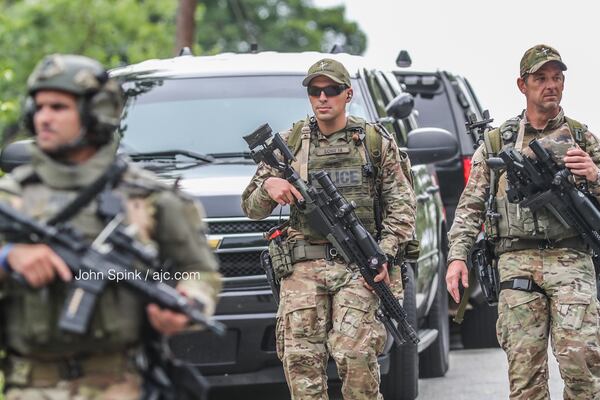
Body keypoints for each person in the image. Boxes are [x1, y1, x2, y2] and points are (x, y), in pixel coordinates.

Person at [0, 54, 221, 399]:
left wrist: (188, 302)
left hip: (121, 384)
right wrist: (9, 256)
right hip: (29, 385)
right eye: (39, 107)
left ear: (97, 113)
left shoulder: (151, 197)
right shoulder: (11, 196)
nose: (44, 118)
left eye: (58, 107)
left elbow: (198, 270)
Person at [241, 58, 416, 399]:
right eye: (315, 91)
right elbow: (250, 206)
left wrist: (385, 251)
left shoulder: (372, 141)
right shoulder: (292, 141)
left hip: (360, 265)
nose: (323, 98)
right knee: (300, 361)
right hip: (304, 265)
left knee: (356, 356)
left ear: (347, 94)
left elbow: (402, 206)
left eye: (331, 90)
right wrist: (270, 188)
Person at [446, 44, 600, 399]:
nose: (551, 85)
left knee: (582, 366)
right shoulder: (499, 141)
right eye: (541, 78)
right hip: (517, 260)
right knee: (525, 376)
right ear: (522, 84)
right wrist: (457, 257)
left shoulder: (581, 137)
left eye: (557, 78)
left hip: (571, 258)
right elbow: (471, 205)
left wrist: (593, 174)